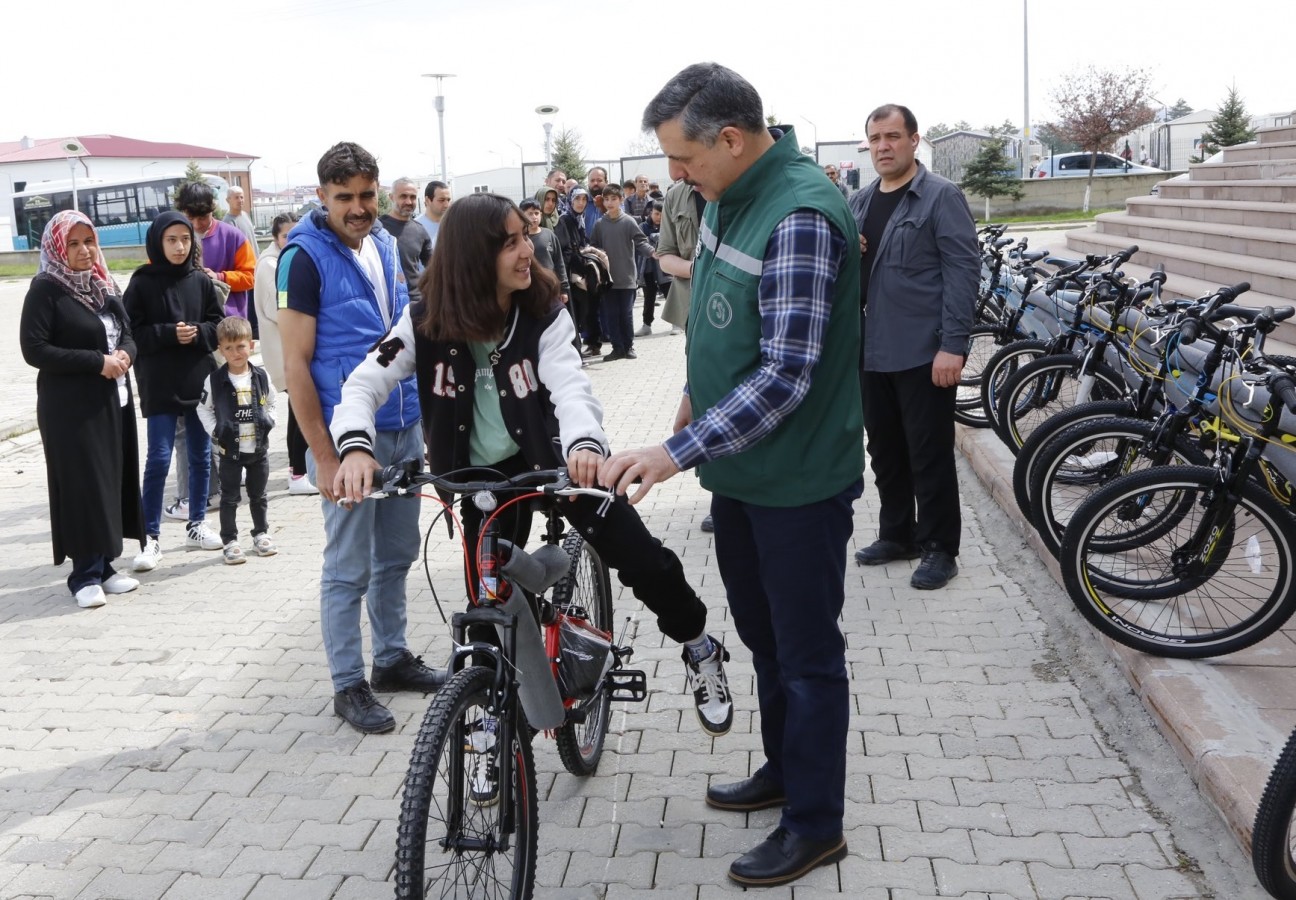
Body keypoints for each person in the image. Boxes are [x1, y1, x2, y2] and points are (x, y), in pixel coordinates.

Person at [329, 192, 733, 739]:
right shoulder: (425, 318)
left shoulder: (544, 309)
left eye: (526, 236)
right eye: (512, 242)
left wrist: (586, 446)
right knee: (487, 600)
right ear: (474, 256)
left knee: (644, 560)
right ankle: (495, 715)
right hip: (482, 478)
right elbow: (363, 383)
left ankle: (699, 646)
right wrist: (355, 448)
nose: (528, 252)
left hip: (557, 459)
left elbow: (571, 385)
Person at [600, 62, 863, 887]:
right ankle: (786, 775)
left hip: (797, 481)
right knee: (764, 640)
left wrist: (672, 453)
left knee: (808, 654)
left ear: (733, 138)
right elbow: (723, 325)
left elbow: (785, 374)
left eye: (682, 158)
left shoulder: (799, 217)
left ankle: (816, 825)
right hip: (742, 475)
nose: (674, 176)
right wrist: (689, 394)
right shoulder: (727, 200)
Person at [278, 141, 442, 734]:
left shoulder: (385, 244)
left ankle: (391, 658)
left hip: (401, 430)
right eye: (343, 197)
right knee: (348, 567)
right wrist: (323, 455)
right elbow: (295, 367)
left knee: (396, 555)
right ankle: (348, 683)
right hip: (348, 446)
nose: (358, 207)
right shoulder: (301, 259)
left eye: (366, 196)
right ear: (321, 196)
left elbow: (403, 341)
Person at [848, 104, 978, 591]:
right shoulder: (859, 202)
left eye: (892, 137)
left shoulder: (940, 197)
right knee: (884, 450)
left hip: (924, 351)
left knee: (929, 454)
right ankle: (897, 534)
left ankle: (940, 548)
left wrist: (954, 345)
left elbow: (962, 274)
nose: (883, 146)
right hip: (871, 351)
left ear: (914, 140)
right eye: (875, 138)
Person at [20, 210, 145, 609]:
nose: (83, 251)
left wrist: (125, 352)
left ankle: (106, 565)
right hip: (70, 410)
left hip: (114, 400)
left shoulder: (102, 284)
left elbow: (126, 331)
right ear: (57, 247)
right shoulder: (46, 289)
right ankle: (83, 574)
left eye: (88, 241)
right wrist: (98, 362)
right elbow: (34, 349)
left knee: (111, 479)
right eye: (73, 243)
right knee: (83, 486)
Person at [124, 211, 227, 570]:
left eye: (185, 239)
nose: (180, 247)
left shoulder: (200, 280)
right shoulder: (141, 282)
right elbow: (130, 333)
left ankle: (196, 523)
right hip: (158, 381)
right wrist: (170, 333)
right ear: (158, 242)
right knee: (158, 458)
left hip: (197, 378)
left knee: (201, 456)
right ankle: (149, 537)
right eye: (172, 240)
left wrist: (198, 333)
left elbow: (219, 324)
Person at [197, 316, 278, 564]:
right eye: (229, 348)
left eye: (240, 346)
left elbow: (272, 401)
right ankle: (230, 541)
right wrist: (216, 430)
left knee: (259, 495)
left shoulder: (261, 376)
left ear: (251, 345)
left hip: (258, 449)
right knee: (230, 497)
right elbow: (203, 409)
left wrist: (269, 421)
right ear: (220, 350)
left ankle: (261, 534)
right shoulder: (214, 381)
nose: (236, 353)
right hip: (230, 452)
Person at [254, 212, 316, 494]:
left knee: (298, 409)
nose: (292, 239)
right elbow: (280, 311)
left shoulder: (289, 258)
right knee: (301, 408)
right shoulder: (269, 265)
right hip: (284, 350)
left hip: (295, 347)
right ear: (275, 238)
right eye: (285, 236)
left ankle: (298, 471)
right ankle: (298, 473)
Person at [590, 183, 651, 361]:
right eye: (607, 199)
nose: (610, 203)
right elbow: (593, 245)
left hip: (627, 277)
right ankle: (617, 348)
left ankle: (629, 346)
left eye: (613, 199)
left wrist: (653, 253)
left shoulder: (629, 221)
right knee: (611, 315)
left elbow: (641, 241)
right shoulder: (600, 224)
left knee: (626, 314)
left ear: (621, 200)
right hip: (608, 279)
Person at [655, 178, 702, 337]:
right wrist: (698, 269)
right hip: (693, 304)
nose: (674, 173)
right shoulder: (675, 195)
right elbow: (665, 258)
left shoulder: (740, 183)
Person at [379, 177, 433, 302]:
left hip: (415, 302)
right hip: (388, 304)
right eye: (403, 196)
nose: (409, 202)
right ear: (391, 197)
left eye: (413, 197)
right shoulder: (377, 229)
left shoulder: (420, 230)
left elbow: (433, 267)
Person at [519, 198, 569, 302]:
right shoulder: (519, 238)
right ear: (522, 215)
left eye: (537, 213)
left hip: (549, 287)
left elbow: (559, 262)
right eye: (530, 213)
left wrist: (564, 289)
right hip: (528, 288)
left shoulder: (549, 234)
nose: (534, 217)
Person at [635, 200, 670, 337]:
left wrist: (654, 237)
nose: (659, 217)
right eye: (656, 214)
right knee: (649, 297)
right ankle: (646, 325)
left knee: (670, 295)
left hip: (666, 267)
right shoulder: (642, 226)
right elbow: (641, 243)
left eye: (662, 214)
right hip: (647, 268)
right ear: (651, 213)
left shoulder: (668, 225)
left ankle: (677, 323)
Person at [415, 180, 451, 249]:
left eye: (448, 200)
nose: (446, 205)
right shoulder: (415, 228)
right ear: (427, 200)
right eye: (441, 200)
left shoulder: (454, 226)